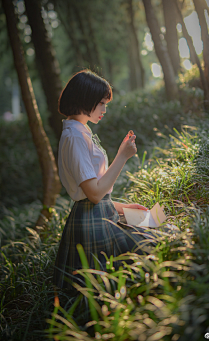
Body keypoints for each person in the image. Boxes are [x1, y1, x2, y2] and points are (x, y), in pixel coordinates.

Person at [53, 70, 156, 291]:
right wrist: (123, 155)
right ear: (85, 99)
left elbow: (98, 194)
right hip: (94, 223)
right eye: (101, 103)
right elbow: (94, 194)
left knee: (155, 219)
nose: (104, 109)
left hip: (102, 213)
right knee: (155, 236)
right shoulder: (74, 137)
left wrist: (123, 207)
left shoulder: (82, 132)